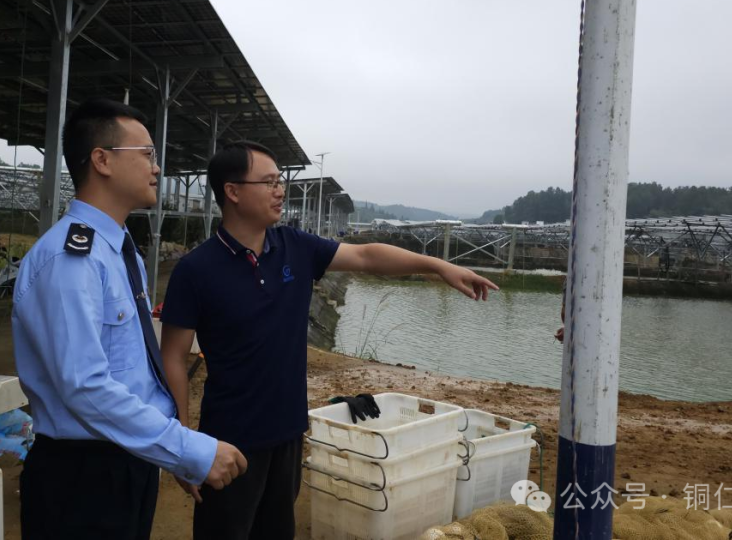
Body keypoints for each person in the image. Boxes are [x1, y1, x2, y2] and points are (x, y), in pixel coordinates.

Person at [160, 141, 499, 539]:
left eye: (280, 182)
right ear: (232, 191)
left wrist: (438, 266)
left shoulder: (294, 247)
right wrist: (184, 445)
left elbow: (367, 257)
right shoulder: (196, 270)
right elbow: (174, 358)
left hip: (288, 433)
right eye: (269, 182)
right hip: (228, 442)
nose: (280, 191)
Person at [11, 99, 247, 540]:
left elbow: (135, 374)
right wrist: (187, 449)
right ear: (102, 160)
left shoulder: (120, 252)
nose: (157, 168)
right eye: (147, 154)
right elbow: (84, 386)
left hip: (127, 458)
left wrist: (167, 449)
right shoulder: (71, 260)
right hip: (83, 477)